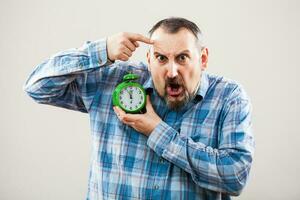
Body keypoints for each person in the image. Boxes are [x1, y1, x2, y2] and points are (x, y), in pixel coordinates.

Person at [24, 17, 255, 200]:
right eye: (161, 58)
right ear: (149, 58)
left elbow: (235, 176)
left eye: (183, 58)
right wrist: (101, 50)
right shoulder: (112, 82)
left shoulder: (229, 97)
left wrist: (157, 131)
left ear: (203, 59)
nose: (172, 72)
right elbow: (37, 88)